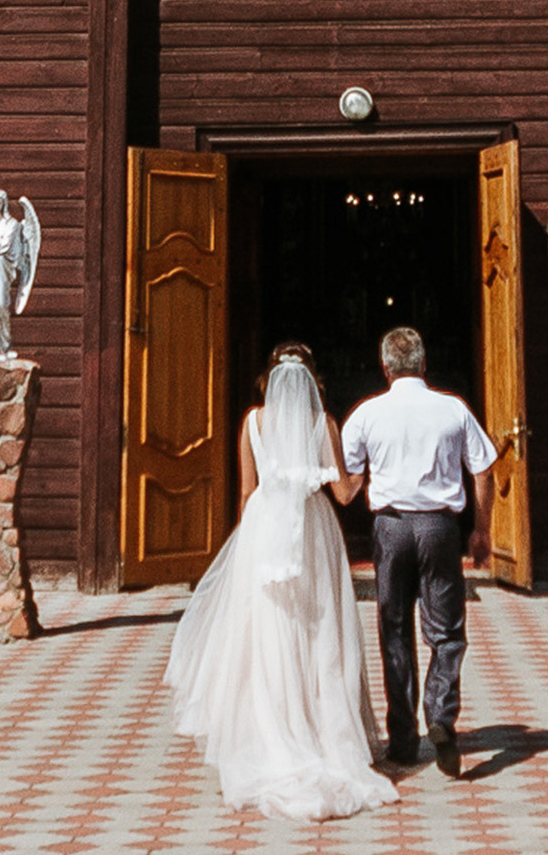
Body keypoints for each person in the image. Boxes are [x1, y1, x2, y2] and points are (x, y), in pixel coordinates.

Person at [164, 341, 395, 821]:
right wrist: (371, 469)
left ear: (270, 378)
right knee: (320, 631)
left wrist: (249, 541)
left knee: (267, 632)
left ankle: (271, 732)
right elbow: (345, 493)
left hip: (264, 528)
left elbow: (247, 491)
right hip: (314, 531)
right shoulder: (323, 424)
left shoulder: (252, 422)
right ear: (312, 380)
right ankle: (325, 733)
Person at [338, 325, 499, 778]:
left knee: (394, 630)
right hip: (439, 527)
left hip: (390, 527)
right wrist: (481, 530)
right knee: (445, 631)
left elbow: (347, 484)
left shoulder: (367, 414)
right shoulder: (453, 409)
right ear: (424, 365)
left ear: (385, 367)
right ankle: (442, 716)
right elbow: (484, 468)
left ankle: (405, 741)